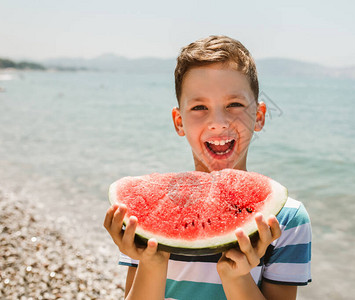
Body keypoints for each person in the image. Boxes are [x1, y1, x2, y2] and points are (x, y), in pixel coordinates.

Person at [104, 35, 312, 300]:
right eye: (199, 107)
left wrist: (236, 277)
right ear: (178, 122)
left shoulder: (286, 220)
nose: (218, 122)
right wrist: (151, 261)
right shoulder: (146, 213)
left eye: (234, 104)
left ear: (259, 116)